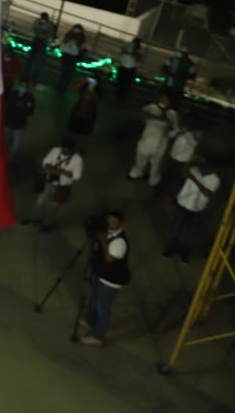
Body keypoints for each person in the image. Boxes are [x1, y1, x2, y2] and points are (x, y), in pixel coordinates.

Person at [79, 211, 130, 347]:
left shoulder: (120, 242)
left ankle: (98, 336)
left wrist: (102, 240)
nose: (109, 224)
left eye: (113, 222)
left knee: (103, 308)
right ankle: (91, 322)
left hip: (111, 282)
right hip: (102, 276)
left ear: (120, 224)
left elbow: (109, 259)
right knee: (95, 299)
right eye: (108, 221)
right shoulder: (107, 233)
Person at [162, 157, 220, 265]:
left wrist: (195, 180)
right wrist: (190, 162)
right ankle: (170, 249)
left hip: (197, 209)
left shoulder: (215, 180)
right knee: (176, 229)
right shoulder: (195, 169)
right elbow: (184, 170)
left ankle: (185, 253)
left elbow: (208, 193)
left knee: (190, 233)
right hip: (183, 204)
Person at [22, 138, 83, 232]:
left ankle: (47, 224)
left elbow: (77, 176)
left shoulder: (78, 159)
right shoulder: (55, 150)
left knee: (54, 207)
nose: (66, 151)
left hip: (62, 187)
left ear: (73, 150)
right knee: (40, 202)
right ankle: (31, 218)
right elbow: (46, 160)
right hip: (49, 182)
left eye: (68, 150)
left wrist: (61, 171)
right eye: (64, 149)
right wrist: (48, 167)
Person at [128, 94, 178, 188]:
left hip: (161, 144)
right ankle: (136, 174)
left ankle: (153, 180)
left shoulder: (173, 114)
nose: (164, 102)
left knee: (156, 164)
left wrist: (168, 134)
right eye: (163, 99)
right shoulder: (151, 107)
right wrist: (157, 117)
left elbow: (175, 129)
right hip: (146, 140)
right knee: (140, 160)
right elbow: (142, 114)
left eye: (167, 100)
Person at [2, 78, 36, 162]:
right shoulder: (12, 94)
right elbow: (6, 106)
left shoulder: (30, 98)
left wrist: (24, 107)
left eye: (25, 86)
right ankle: (2, 159)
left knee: (14, 146)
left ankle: (9, 160)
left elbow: (31, 112)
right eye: (21, 85)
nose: (22, 88)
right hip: (9, 123)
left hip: (19, 126)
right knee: (5, 143)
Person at [163, 124, 201, 196]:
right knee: (167, 175)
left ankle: (174, 194)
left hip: (182, 161)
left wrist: (187, 134)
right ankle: (163, 191)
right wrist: (177, 132)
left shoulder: (192, 135)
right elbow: (168, 134)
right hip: (172, 157)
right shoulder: (181, 131)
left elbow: (194, 144)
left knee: (177, 178)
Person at [26, 12, 55, 85]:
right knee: (30, 60)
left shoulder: (50, 24)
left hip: (43, 43)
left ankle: (34, 78)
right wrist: (38, 32)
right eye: (42, 18)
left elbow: (51, 34)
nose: (43, 19)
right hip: (36, 41)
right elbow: (33, 28)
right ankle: (26, 77)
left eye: (44, 18)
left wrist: (44, 34)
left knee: (38, 63)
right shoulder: (37, 21)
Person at [57, 23, 86, 93]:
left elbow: (80, 45)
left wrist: (77, 37)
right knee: (63, 72)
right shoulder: (69, 34)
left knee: (68, 73)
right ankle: (60, 86)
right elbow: (64, 41)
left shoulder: (82, 37)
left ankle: (64, 87)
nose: (76, 30)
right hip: (66, 54)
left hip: (73, 56)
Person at [114, 36, 142, 101]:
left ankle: (123, 98)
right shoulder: (126, 45)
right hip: (123, 67)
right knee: (120, 84)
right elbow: (119, 51)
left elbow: (139, 58)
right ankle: (118, 98)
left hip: (131, 70)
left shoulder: (138, 50)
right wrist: (126, 50)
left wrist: (134, 52)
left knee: (126, 85)